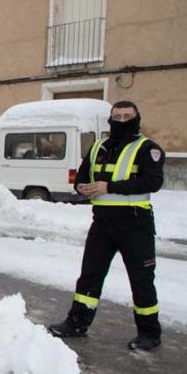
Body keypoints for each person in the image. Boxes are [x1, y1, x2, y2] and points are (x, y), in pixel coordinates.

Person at [48, 100, 165, 351]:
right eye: (117, 116)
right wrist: (82, 187)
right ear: (110, 118)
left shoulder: (148, 149)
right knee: (90, 275)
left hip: (135, 223)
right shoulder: (98, 147)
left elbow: (153, 182)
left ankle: (149, 333)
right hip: (102, 222)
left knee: (141, 279)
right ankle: (77, 323)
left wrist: (108, 187)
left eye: (127, 116)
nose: (121, 121)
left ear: (136, 118)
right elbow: (81, 177)